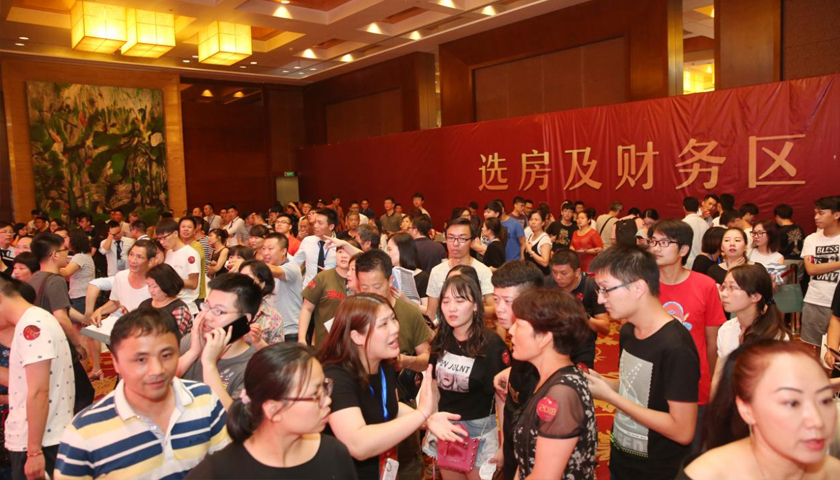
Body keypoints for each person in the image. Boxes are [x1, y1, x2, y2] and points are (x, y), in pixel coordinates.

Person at [55, 307, 231, 479]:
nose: (157, 370)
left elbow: (226, 469)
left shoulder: (204, 400)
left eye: (166, 355)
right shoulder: (84, 432)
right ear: (115, 362)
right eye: (141, 359)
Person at [319, 294, 465, 480]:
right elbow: (358, 445)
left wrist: (428, 420)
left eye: (393, 319)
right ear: (357, 336)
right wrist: (421, 414)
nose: (395, 328)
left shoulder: (384, 363)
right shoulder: (336, 376)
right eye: (383, 324)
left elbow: (390, 407)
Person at [584, 245, 700, 480]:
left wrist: (610, 397)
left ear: (638, 287)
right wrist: (603, 382)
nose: (600, 299)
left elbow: (682, 430)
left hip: (656, 470)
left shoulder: (676, 347)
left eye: (606, 290)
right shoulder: (628, 331)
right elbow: (636, 389)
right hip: (622, 458)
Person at [185, 343, 356, 479]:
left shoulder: (334, 453)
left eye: (325, 387)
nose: (328, 400)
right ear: (273, 409)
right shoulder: (218, 471)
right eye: (315, 394)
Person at [682, 341, 840, 480]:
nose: (817, 421)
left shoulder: (834, 472)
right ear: (746, 409)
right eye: (792, 403)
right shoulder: (706, 475)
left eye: (825, 400)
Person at [354, 249, 432, 480]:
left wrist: (405, 361)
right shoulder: (352, 315)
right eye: (364, 288)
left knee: (406, 468)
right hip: (361, 407)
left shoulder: (408, 313)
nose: (370, 294)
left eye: (377, 287)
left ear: (390, 281)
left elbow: (427, 358)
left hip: (400, 402)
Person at [649, 219, 725, 445]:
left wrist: (711, 383)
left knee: (693, 449)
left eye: (664, 242)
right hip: (653, 380)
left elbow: (712, 343)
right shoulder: (643, 285)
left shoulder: (705, 285)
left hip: (693, 383)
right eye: (653, 241)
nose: (656, 248)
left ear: (683, 250)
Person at [508, 288, 598, 479]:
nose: (511, 331)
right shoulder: (547, 378)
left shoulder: (561, 393)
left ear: (544, 337)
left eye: (519, 325)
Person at [425, 275, 508, 479]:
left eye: (460, 301)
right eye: (446, 301)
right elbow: (433, 387)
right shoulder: (441, 340)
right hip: (447, 429)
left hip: (480, 432)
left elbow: (502, 399)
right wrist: (429, 422)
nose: (451, 308)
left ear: (476, 306)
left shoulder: (492, 345)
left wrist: (505, 444)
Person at [0, 277, 75, 480]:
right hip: (40, 436)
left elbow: (39, 391)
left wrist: (34, 451)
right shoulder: (33, 320)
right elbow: (22, 381)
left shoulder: (32, 327)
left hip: (40, 439)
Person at [485, 261, 545, 480]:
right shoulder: (519, 343)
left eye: (508, 301)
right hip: (514, 451)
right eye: (496, 299)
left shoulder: (542, 358)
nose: (499, 308)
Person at [178, 273, 260, 409]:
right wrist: (193, 352)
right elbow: (160, 386)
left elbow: (234, 419)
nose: (207, 316)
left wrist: (209, 364)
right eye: (206, 306)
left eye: (218, 311)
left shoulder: (255, 368)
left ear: (244, 319)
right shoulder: (192, 341)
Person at [716, 265, 792, 383]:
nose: (724, 294)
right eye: (724, 286)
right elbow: (718, 378)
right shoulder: (726, 329)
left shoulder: (776, 338)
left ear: (755, 296)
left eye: (732, 288)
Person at [544, 251, 611, 368]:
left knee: (583, 376)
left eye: (563, 273)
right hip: (554, 343)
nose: (558, 277)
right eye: (554, 272)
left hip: (582, 344)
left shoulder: (590, 286)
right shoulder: (548, 284)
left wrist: (581, 316)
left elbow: (605, 328)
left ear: (577, 272)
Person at [425, 218, 495, 324]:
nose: (455, 243)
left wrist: (468, 309)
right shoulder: (436, 271)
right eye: (451, 238)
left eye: (462, 239)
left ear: (472, 241)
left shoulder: (483, 271)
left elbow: (493, 309)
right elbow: (431, 312)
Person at [298, 240, 356, 347]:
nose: (343, 256)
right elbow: (307, 308)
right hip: (324, 344)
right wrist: (301, 338)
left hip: (353, 346)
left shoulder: (362, 281)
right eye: (340, 252)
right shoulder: (323, 277)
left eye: (348, 252)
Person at [90, 240, 156, 324]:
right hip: (122, 325)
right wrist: (100, 311)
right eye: (131, 254)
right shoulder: (121, 276)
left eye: (139, 257)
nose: (133, 260)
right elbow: (116, 302)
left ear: (150, 261)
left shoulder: (156, 284)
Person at [261, 233, 303, 343]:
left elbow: (275, 271)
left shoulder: (292, 268)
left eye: (270, 249)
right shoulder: (263, 269)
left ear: (284, 251)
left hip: (289, 333)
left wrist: (247, 264)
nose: (265, 253)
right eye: (263, 248)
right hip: (268, 332)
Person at [157, 219, 201, 314]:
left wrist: (170, 280)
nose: (162, 242)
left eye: (164, 238)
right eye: (159, 239)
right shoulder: (169, 252)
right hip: (170, 303)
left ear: (175, 233)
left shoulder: (190, 253)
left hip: (186, 306)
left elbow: (193, 284)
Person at [239, 260, 285, 348]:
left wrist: (259, 342)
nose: (241, 282)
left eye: (247, 278)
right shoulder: (228, 308)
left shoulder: (273, 317)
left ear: (263, 284)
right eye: (239, 278)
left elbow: (277, 354)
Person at [140, 263, 192, 335]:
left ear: (166, 285)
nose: (151, 290)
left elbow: (174, 338)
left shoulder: (179, 309)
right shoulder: (145, 304)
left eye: (155, 286)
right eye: (149, 286)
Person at [386, 233, 430, 315]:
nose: (387, 253)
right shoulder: (388, 274)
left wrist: (406, 300)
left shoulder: (422, 277)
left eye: (390, 249)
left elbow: (427, 310)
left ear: (402, 250)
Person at [293, 208, 338, 286]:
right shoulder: (307, 241)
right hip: (308, 289)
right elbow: (295, 263)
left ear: (331, 226)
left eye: (320, 223)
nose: (315, 226)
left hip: (330, 288)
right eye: (315, 222)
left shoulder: (339, 245)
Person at [60, 229, 95, 315]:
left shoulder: (80, 257)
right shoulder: (85, 255)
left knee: (78, 322)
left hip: (81, 297)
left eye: (65, 238)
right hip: (84, 295)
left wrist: (51, 266)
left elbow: (66, 272)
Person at [747, 220, 786, 284]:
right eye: (754, 233)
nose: (756, 236)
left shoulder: (778, 257)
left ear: (770, 234)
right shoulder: (749, 252)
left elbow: (775, 282)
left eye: (760, 233)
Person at [682, 197, 709, 270]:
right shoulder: (705, 224)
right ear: (698, 208)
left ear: (684, 208)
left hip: (686, 262)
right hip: (702, 262)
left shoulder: (682, 224)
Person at [523, 210, 551, 275]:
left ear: (543, 223)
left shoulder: (545, 239)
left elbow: (545, 263)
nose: (533, 222)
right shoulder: (531, 236)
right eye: (531, 219)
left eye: (536, 220)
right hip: (529, 275)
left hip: (540, 276)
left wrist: (531, 251)